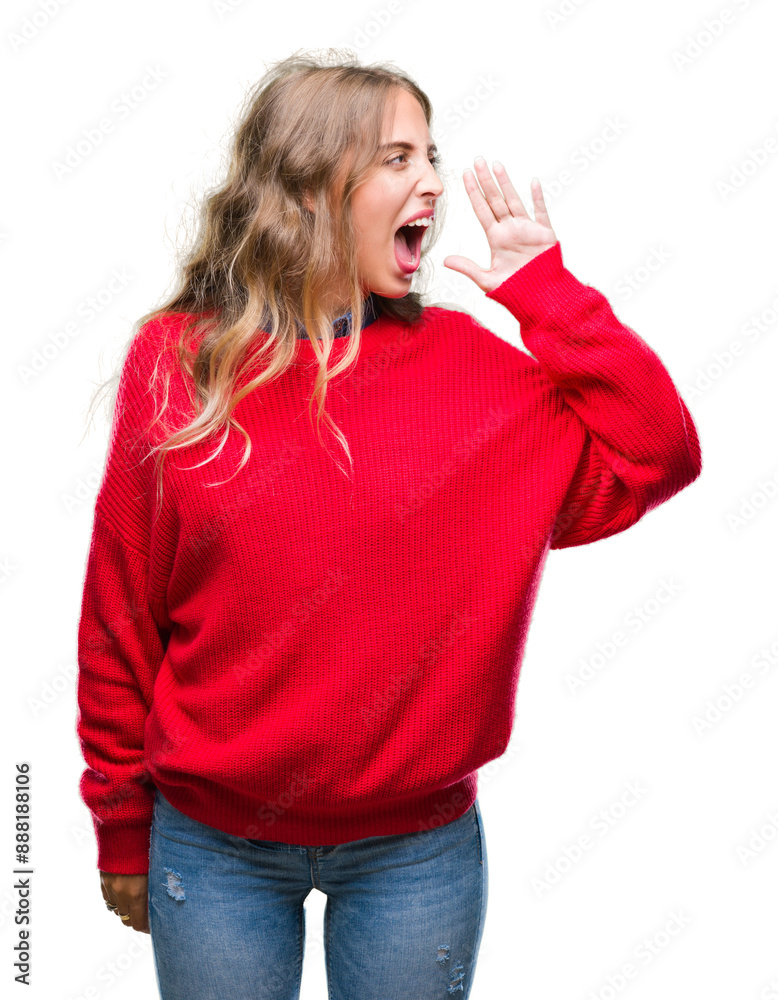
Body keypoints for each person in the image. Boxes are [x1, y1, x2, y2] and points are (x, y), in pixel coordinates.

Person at [75, 49, 702, 1000]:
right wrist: (120, 821)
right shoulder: (180, 364)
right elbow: (120, 612)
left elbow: (659, 451)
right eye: (398, 159)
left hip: (417, 852)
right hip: (212, 846)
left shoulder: (478, 375)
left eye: (432, 156)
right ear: (312, 190)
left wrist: (548, 297)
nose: (436, 183)